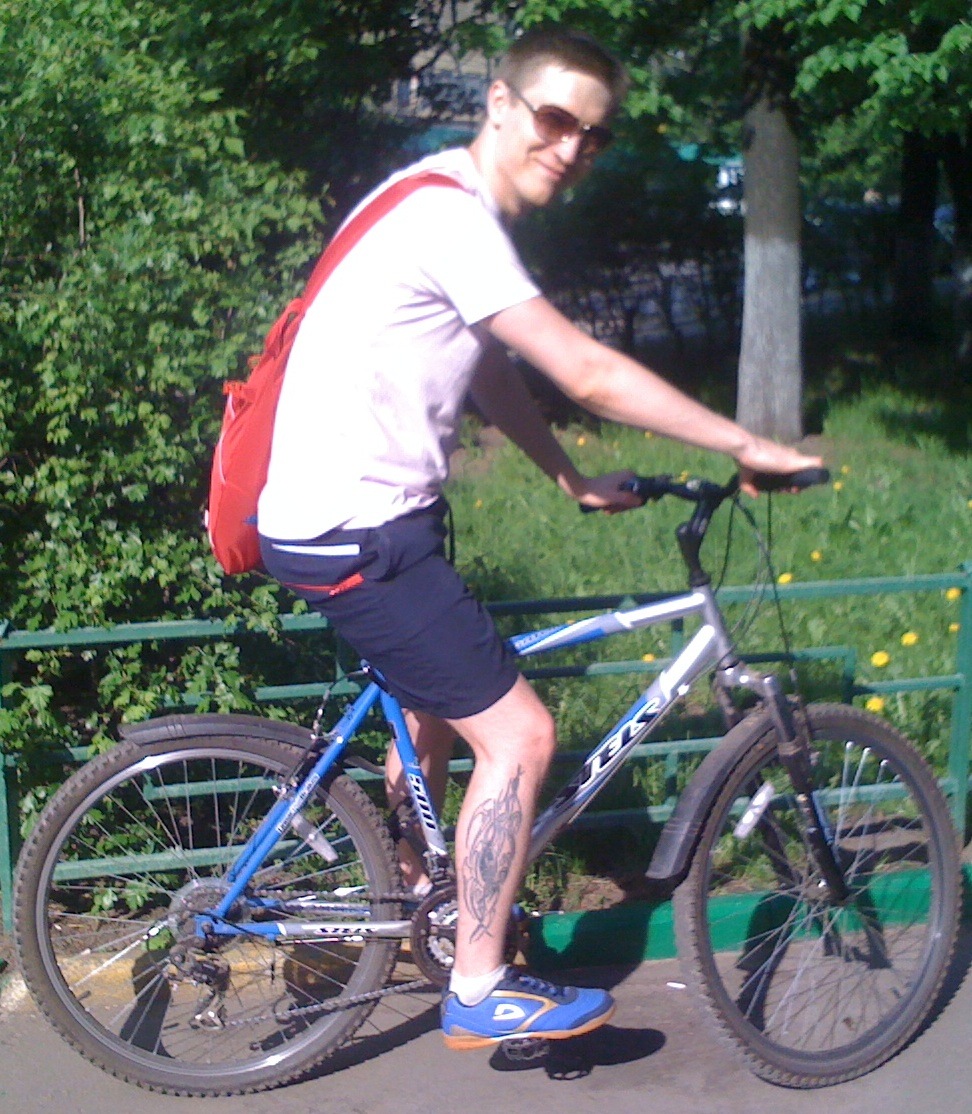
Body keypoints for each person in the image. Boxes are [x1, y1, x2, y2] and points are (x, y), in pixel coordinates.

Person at [257, 25, 823, 1050]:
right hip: (356, 530)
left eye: (593, 136)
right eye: (556, 120)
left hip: (366, 518)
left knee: (433, 719)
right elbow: (586, 370)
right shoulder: (453, 218)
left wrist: (567, 476)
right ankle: (479, 985)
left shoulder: (436, 193)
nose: (570, 149)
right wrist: (748, 443)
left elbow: (485, 364)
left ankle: (427, 896)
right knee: (519, 736)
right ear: (501, 104)